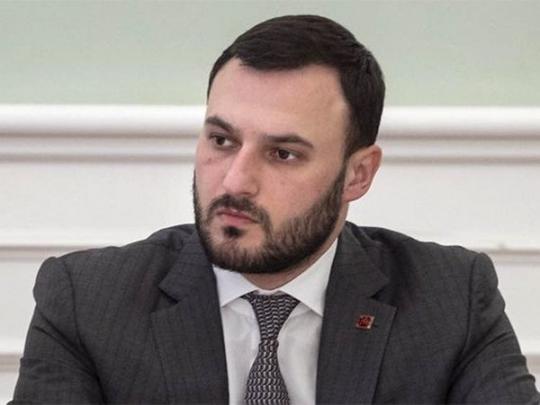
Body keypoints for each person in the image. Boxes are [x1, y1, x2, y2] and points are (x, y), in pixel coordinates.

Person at [11, 14, 539, 404]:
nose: (235, 181)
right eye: (222, 141)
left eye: (283, 154)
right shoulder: (87, 302)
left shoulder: (451, 299)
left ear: (357, 174)